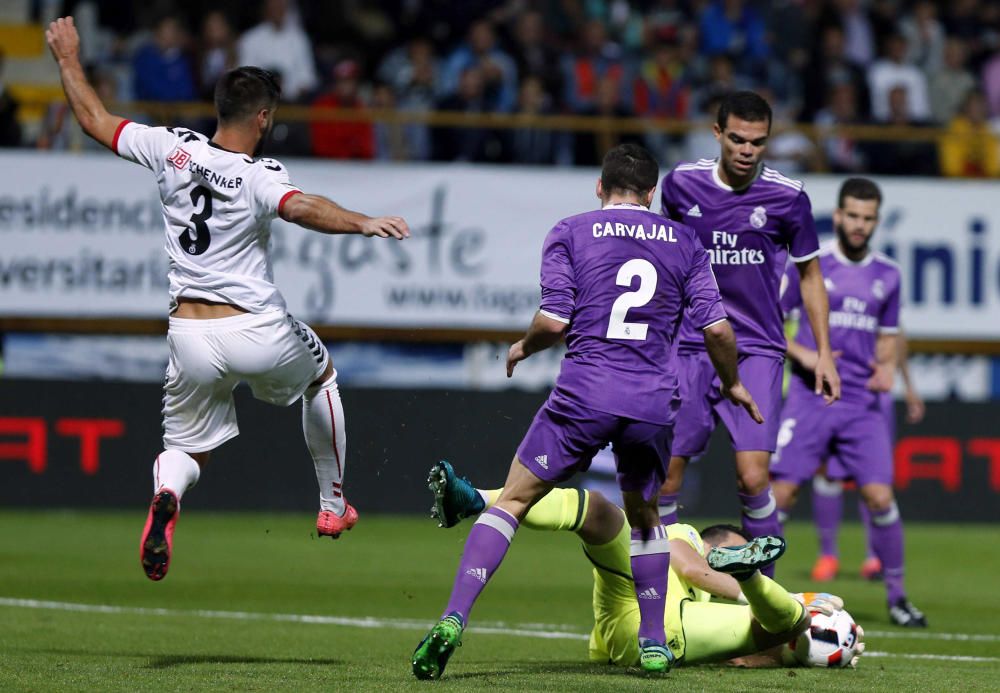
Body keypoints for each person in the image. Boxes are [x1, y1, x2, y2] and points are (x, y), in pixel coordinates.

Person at [45, 17, 410, 581]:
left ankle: (168, 495)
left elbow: (95, 121)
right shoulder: (258, 172)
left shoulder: (171, 147)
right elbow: (300, 205)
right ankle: (334, 505)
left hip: (188, 334)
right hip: (255, 329)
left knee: (186, 452)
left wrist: (68, 58)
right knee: (322, 375)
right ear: (263, 118)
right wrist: (363, 222)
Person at [411, 143, 763, 679]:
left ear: (600, 188)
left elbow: (553, 321)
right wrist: (733, 382)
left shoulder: (571, 231)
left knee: (513, 502)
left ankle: (454, 619)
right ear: (652, 194)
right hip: (649, 403)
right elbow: (717, 329)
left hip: (584, 394)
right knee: (646, 521)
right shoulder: (685, 242)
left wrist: (523, 348)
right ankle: (651, 642)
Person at [426, 460, 865, 669]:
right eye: (735, 550)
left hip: (648, 633)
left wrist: (811, 645)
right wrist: (791, 601)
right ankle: (476, 498)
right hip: (634, 593)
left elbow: (740, 659)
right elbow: (690, 567)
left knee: (785, 624)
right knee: (603, 512)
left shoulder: (710, 605)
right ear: (719, 542)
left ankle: (759, 583)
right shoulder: (685, 535)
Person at [656, 91, 840, 571]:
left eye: (757, 142)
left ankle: (768, 601)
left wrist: (824, 352)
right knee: (667, 480)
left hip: (756, 349)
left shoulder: (788, 197)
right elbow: (661, 263)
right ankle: (670, 587)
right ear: (717, 133)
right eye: (736, 138)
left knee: (754, 479)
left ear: (768, 141)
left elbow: (811, 276)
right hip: (691, 346)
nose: (746, 150)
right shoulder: (680, 186)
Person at [771, 178, 926, 628]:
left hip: (861, 403)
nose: (860, 225)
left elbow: (890, 338)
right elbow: (771, 324)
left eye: (868, 218)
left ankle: (897, 598)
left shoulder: (888, 275)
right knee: (781, 492)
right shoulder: (811, 265)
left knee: (880, 496)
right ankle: (760, 595)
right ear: (838, 216)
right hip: (810, 397)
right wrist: (808, 355)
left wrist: (887, 366)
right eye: (852, 216)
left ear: (877, 220)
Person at [809, 329, 926, 583]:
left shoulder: (882, 289)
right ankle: (827, 555)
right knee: (827, 472)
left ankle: (874, 556)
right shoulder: (822, 291)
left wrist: (908, 385)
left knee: (872, 477)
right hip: (834, 389)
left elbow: (897, 338)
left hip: (872, 395)